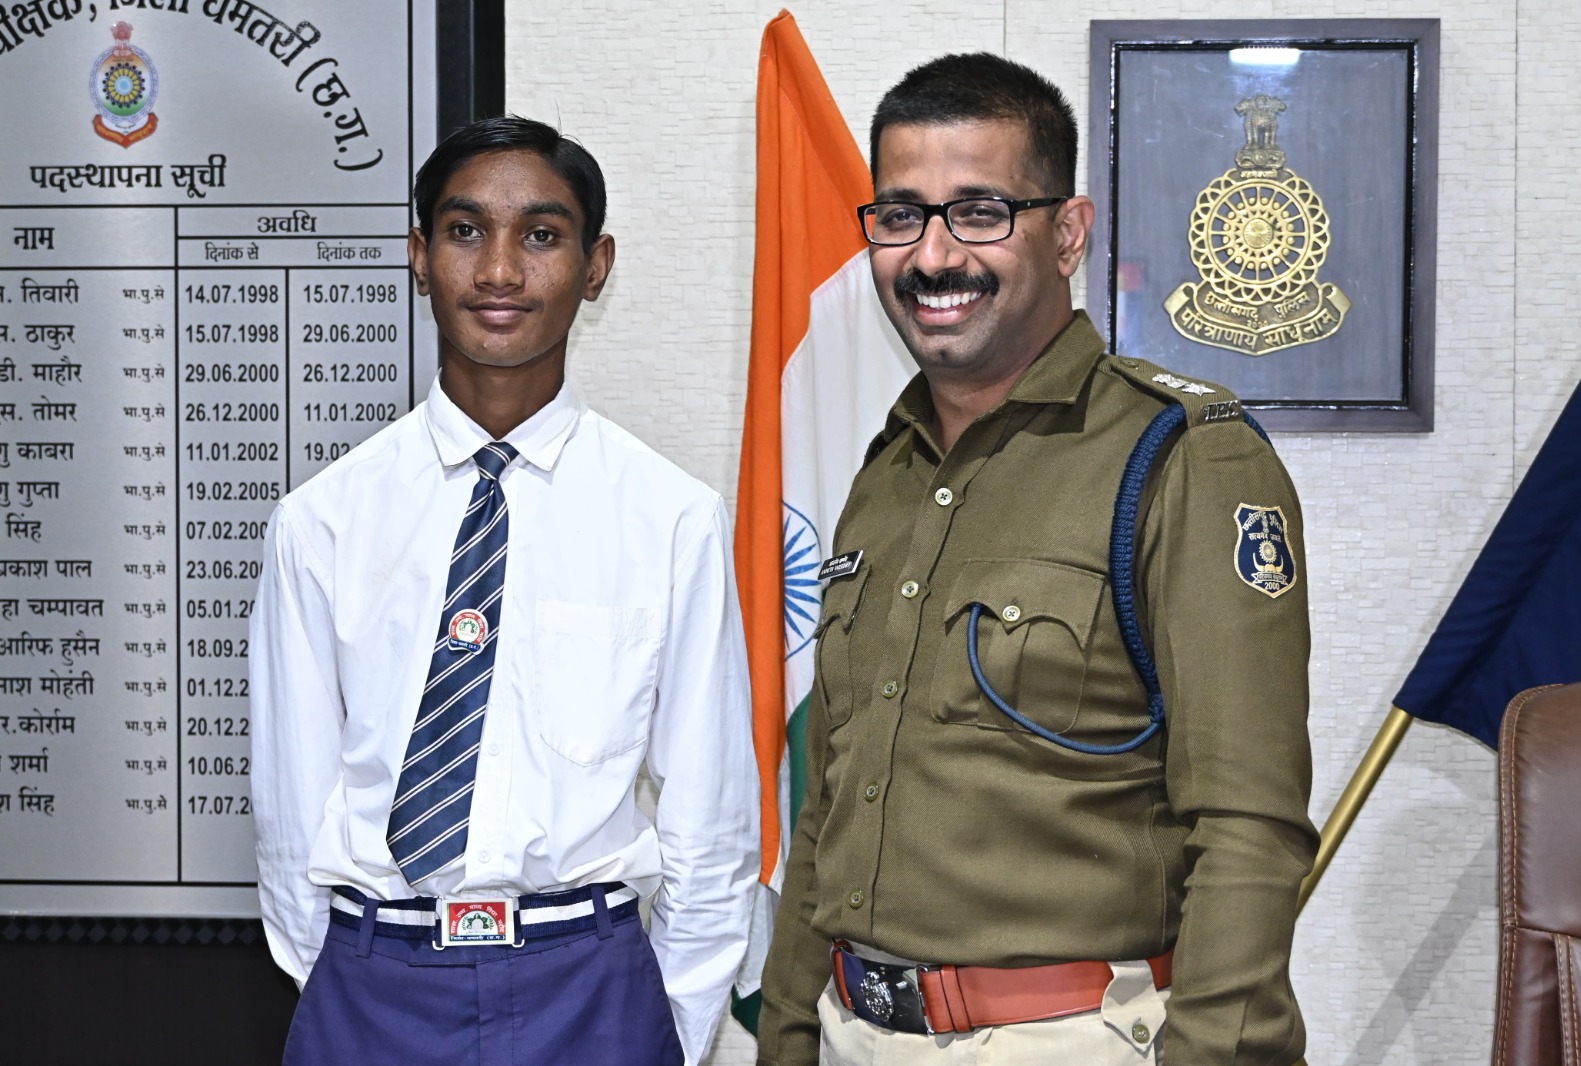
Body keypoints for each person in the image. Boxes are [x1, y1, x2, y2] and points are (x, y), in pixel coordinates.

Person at [757, 54, 1316, 1065]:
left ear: (1066, 232)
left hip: (1065, 1038)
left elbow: (1247, 826)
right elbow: (834, 801)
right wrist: (789, 1032)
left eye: (979, 212)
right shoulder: (886, 472)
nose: (931, 255)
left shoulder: (1180, 457)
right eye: (899, 215)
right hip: (853, 1031)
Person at [251, 116, 759, 1066]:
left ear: (595, 264)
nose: (498, 271)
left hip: (594, 985)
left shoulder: (670, 517)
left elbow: (710, 815)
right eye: (464, 230)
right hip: (375, 985)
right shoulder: (322, 520)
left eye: (540, 234)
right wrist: (347, 974)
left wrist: (671, 1024)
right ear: (417, 254)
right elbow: (290, 806)